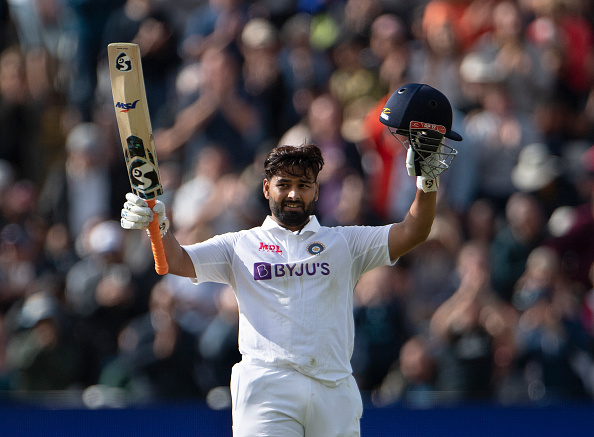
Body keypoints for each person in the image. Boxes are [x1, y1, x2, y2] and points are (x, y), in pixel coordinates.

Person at [119, 83, 462, 436]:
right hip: (267, 387)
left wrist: (427, 181)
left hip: (333, 387)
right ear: (267, 188)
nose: (294, 193)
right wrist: (155, 225)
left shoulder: (344, 241)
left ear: (316, 189)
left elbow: (415, 231)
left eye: (304, 184)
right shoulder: (240, 245)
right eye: (284, 184)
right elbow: (173, 262)